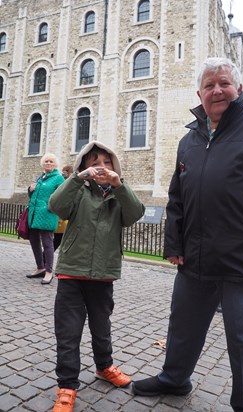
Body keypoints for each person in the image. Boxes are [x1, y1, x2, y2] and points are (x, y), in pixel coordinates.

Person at [132, 57, 243, 412]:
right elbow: (177, 197)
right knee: (183, 326)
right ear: (199, 94)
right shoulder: (190, 140)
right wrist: (174, 243)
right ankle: (175, 378)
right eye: (209, 85)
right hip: (194, 256)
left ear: (239, 88)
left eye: (224, 83)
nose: (217, 90)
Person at [48, 140, 145, 412]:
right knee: (68, 333)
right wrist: (77, 180)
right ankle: (67, 386)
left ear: (115, 166)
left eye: (106, 162)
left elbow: (134, 214)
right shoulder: (78, 190)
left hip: (103, 275)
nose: (100, 168)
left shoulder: (119, 193)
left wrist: (119, 185)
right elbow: (56, 206)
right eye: (93, 164)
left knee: (101, 328)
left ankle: (104, 367)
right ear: (84, 168)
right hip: (72, 274)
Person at [26, 153, 64, 285]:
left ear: (55, 164)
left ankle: (48, 271)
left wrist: (50, 206)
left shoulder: (58, 178)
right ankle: (40, 267)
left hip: (47, 214)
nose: (48, 163)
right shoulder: (40, 177)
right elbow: (33, 196)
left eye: (51, 161)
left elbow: (62, 196)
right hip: (34, 214)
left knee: (48, 243)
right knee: (34, 241)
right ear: (43, 164)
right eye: (46, 161)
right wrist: (30, 190)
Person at [53, 165, 73, 252]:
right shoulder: (65, 183)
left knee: (56, 242)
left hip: (63, 219)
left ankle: (44, 259)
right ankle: (44, 259)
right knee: (57, 241)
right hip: (62, 219)